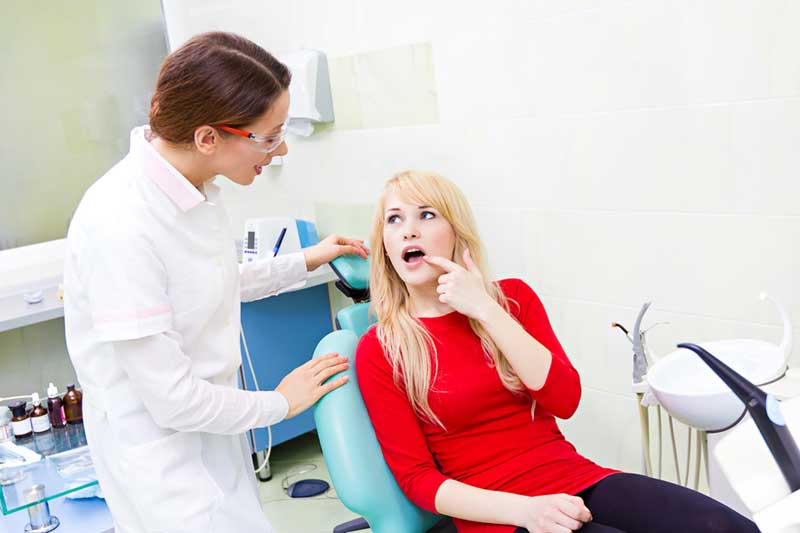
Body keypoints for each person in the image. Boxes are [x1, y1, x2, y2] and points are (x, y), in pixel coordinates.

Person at [63, 32, 368, 533]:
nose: (281, 148)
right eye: (269, 137)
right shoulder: (120, 223)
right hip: (164, 463)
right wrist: (282, 403)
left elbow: (213, 279)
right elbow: (173, 400)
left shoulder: (190, 187)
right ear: (208, 138)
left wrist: (308, 260)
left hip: (212, 436)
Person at [355, 170, 759, 533]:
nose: (409, 230)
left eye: (426, 215)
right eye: (395, 219)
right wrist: (527, 511)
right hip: (500, 517)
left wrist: (484, 309)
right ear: (386, 245)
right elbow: (418, 480)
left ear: (457, 231)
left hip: (574, 477)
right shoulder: (381, 348)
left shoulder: (512, 300)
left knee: (722, 525)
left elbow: (565, 400)